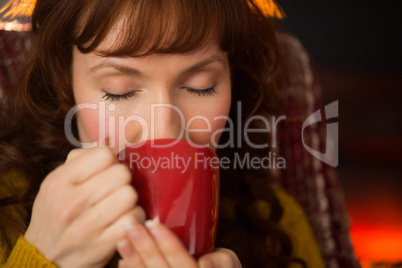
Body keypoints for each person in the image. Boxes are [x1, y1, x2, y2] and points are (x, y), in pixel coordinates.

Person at [0, 0, 325, 267]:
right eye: (119, 92)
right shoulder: (7, 214)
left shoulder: (280, 226)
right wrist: (40, 259)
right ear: (66, 85)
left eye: (201, 87)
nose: (164, 130)